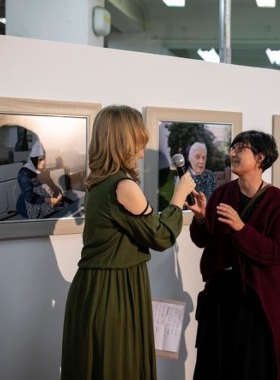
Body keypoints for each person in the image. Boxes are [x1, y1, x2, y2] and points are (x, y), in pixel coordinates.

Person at [61, 105, 196, 380]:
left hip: (95, 290)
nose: (142, 153)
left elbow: (140, 227)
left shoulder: (98, 184)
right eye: (138, 144)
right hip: (114, 293)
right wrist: (179, 196)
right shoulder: (123, 186)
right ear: (123, 143)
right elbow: (160, 236)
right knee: (118, 367)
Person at [188, 130, 280, 380]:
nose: (232, 153)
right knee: (216, 365)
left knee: (251, 367)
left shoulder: (277, 201)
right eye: (232, 148)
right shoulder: (223, 194)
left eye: (241, 148)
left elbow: (277, 252)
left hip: (256, 299)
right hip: (221, 296)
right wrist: (202, 218)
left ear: (260, 157)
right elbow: (203, 240)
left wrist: (241, 229)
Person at [15, 140, 63, 218]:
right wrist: (48, 200)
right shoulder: (24, 173)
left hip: (49, 200)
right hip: (33, 205)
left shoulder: (43, 170)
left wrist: (59, 193)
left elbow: (51, 184)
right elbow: (29, 197)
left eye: (44, 159)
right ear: (34, 159)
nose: (43, 162)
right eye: (40, 159)